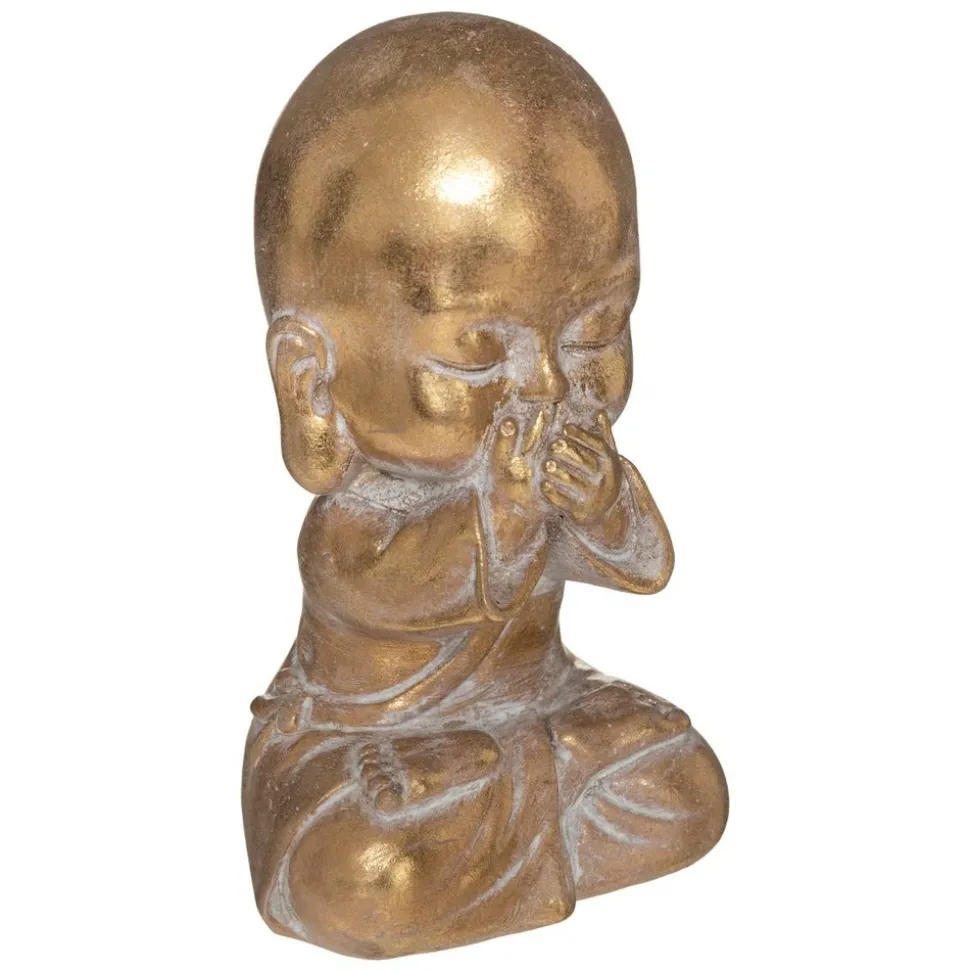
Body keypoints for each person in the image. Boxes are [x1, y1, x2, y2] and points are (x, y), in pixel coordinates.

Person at [244, 13, 728, 958]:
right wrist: (506, 509)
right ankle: (530, 774)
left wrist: (603, 501)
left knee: (687, 787)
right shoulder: (351, 531)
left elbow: (647, 568)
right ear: (313, 382)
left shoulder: (543, 463)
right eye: (475, 359)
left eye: (594, 334)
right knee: (359, 876)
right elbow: (428, 590)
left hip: (538, 709)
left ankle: (518, 759)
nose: (545, 387)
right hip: (353, 752)